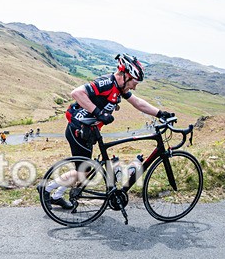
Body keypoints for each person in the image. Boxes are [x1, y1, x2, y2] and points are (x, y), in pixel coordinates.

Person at [43, 53, 174, 209]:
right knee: (83, 173)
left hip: (88, 131)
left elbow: (138, 103)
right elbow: (76, 93)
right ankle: (47, 189)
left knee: (83, 171)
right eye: (134, 82)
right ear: (125, 76)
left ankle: (57, 196)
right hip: (78, 130)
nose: (134, 86)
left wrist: (160, 113)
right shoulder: (106, 83)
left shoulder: (119, 88)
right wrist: (98, 112)